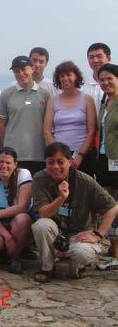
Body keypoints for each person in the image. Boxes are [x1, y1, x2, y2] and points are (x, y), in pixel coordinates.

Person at [31, 142, 118, 282]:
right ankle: (47, 267)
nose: (55, 167)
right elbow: (44, 213)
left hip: (79, 233)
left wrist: (98, 234)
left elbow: (112, 207)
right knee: (41, 225)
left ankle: (68, 258)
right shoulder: (39, 179)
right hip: (55, 231)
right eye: (50, 162)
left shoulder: (85, 181)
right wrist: (61, 198)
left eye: (60, 162)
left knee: (82, 254)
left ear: (70, 162)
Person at [0, 56, 51, 176]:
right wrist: (5, 148)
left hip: (39, 154)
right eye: (16, 71)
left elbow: (49, 125)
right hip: (13, 156)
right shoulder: (6, 94)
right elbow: (1, 125)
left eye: (23, 69)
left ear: (32, 69)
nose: (20, 73)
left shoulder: (45, 95)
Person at [0, 147, 32, 274]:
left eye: (8, 162)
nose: (4, 166)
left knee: (23, 219)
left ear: (15, 164)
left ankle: (15, 257)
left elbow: (22, 207)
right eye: (1, 162)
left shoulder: (23, 174)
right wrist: (8, 237)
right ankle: (4, 252)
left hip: (17, 221)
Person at [43, 61, 96, 176]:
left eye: (68, 75)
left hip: (82, 154)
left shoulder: (87, 99)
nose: (65, 78)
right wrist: (57, 153)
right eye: (62, 76)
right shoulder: (53, 100)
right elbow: (47, 130)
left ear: (76, 76)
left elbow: (91, 131)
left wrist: (80, 155)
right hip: (59, 156)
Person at [96, 63, 118, 258]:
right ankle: (113, 245)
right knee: (107, 203)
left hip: (117, 157)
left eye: (109, 78)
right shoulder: (104, 104)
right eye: (102, 79)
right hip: (103, 158)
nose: (105, 82)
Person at [82, 43, 112, 112]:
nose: (95, 60)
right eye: (91, 57)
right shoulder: (82, 86)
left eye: (99, 56)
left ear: (109, 58)